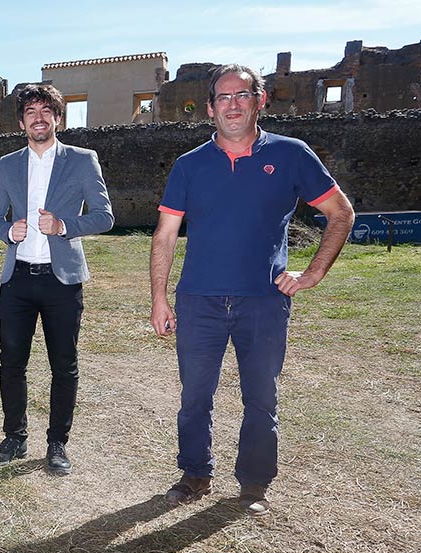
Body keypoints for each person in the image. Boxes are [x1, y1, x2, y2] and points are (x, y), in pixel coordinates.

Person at [150, 64, 355, 516]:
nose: (233, 104)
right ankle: (195, 473)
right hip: (199, 299)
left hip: (263, 301)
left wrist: (312, 273)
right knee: (194, 397)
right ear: (210, 108)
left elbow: (341, 213)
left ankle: (254, 485)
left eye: (242, 95)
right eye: (223, 97)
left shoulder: (291, 154)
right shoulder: (190, 165)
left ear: (260, 100)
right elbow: (165, 235)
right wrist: (159, 297)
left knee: (261, 397)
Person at [0, 84, 115, 473]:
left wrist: (63, 224)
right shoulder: (8, 164)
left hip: (62, 280)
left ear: (58, 117)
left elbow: (105, 216)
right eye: (30, 112)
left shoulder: (82, 160)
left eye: (46, 111)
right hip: (17, 279)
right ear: (21, 122)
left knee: (64, 365)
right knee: (11, 364)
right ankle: (14, 439)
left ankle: (57, 444)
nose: (38, 118)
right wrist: (8, 232)